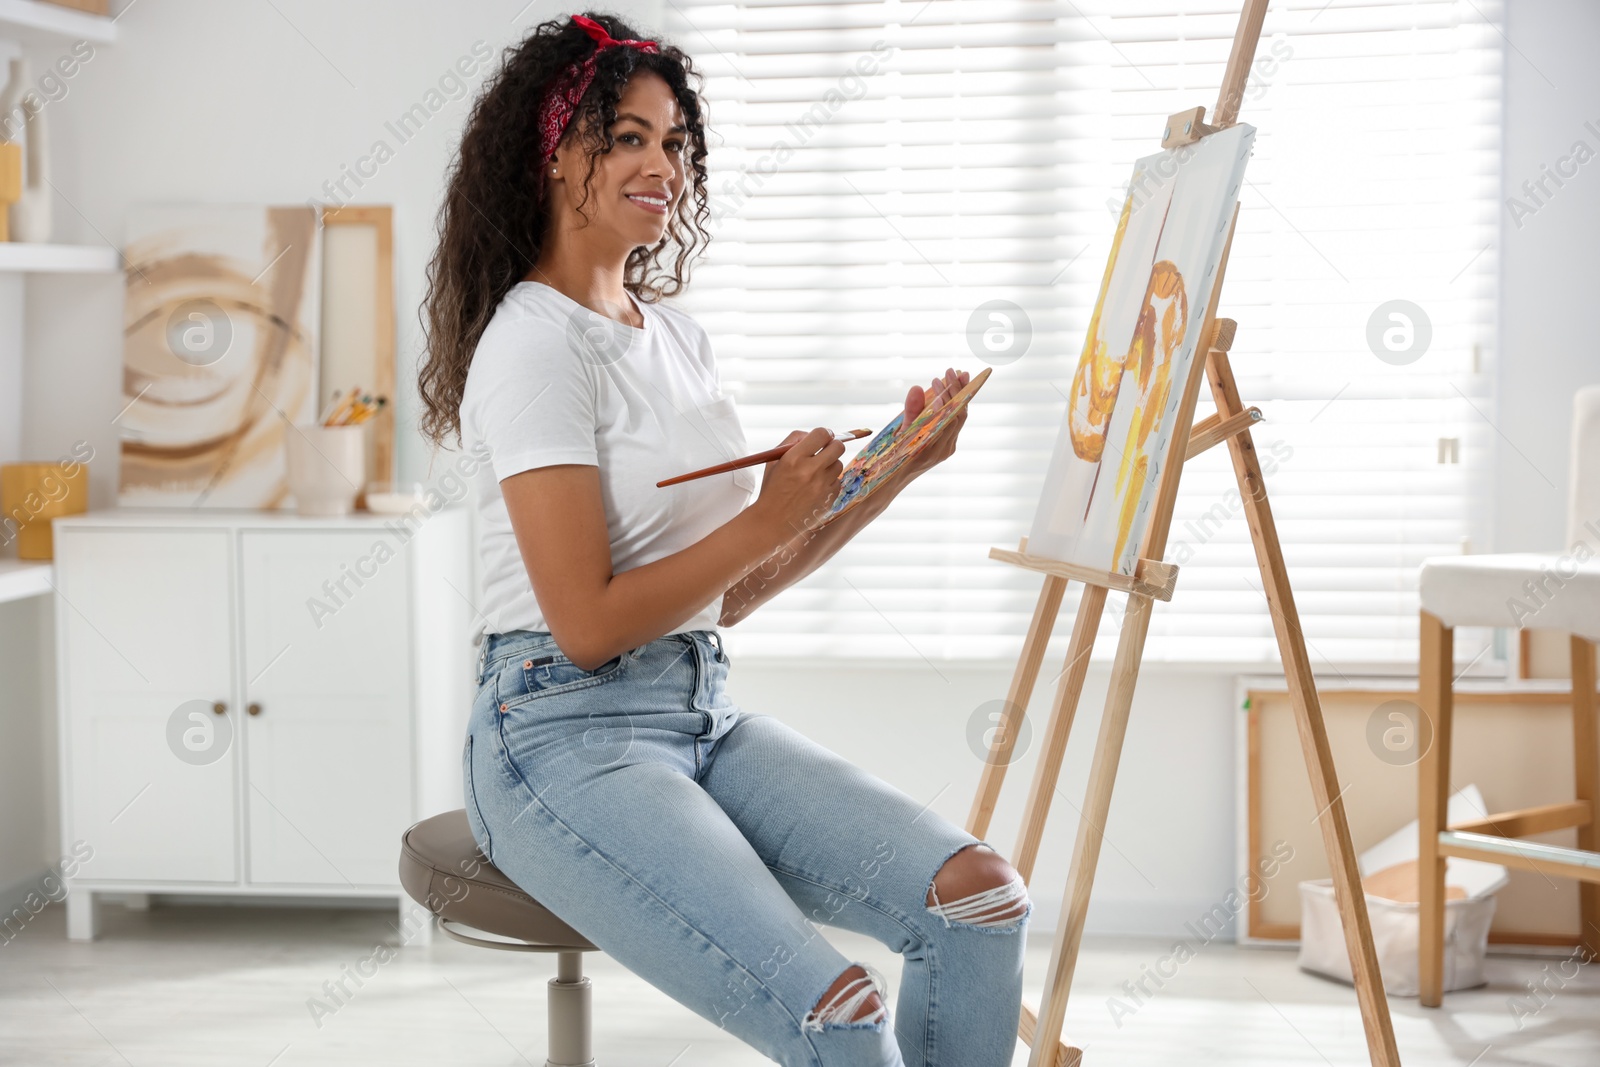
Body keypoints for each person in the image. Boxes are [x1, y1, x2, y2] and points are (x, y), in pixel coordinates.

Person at [416, 12, 1031, 1066]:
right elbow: (585, 625)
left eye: (676, 144)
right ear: (555, 152)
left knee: (977, 897)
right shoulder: (530, 342)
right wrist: (766, 515)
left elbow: (729, 591)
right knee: (834, 1009)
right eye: (630, 138)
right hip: (559, 735)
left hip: (697, 705)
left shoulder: (674, 335)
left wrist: (888, 472)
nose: (664, 165)